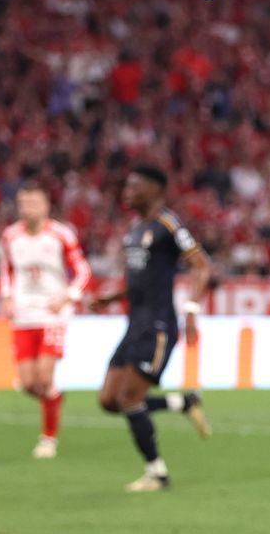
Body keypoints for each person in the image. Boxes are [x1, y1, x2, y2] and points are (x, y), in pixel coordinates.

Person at [90, 165, 212, 492]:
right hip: (134, 325)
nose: (127, 192)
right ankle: (183, 403)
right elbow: (138, 282)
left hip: (158, 326)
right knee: (109, 399)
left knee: (130, 398)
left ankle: (157, 473)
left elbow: (201, 265)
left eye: (134, 186)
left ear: (155, 190)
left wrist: (191, 309)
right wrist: (110, 298)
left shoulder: (168, 224)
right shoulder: (134, 230)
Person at [0, 184, 91, 458]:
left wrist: (68, 297)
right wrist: (6, 296)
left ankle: (48, 438)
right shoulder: (11, 235)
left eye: (33, 203)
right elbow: (7, 268)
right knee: (29, 383)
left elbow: (83, 270)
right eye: (23, 204)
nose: (28, 209)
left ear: (46, 206)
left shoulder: (61, 234)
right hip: (22, 315)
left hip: (52, 314)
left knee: (44, 377)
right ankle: (54, 398)